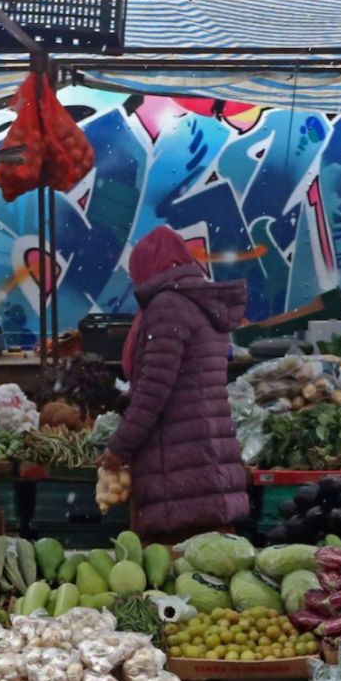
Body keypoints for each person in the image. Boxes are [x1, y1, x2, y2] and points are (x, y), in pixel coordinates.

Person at [99, 226, 250, 540]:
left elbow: (153, 392)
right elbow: (182, 380)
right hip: (207, 454)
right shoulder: (202, 302)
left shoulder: (168, 305)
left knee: (175, 569)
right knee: (213, 560)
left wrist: (119, 447)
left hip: (182, 461)